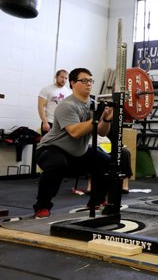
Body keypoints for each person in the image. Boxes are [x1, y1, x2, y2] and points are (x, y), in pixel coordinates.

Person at [33, 68, 115, 219]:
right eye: (84, 81)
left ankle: (96, 201)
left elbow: (102, 132)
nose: (88, 83)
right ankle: (42, 206)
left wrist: (107, 119)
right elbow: (75, 132)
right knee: (57, 163)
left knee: (107, 161)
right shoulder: (67, 105)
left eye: (90, 80)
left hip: (78, 152)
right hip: (51, 149)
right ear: (73, 83)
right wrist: (97, 118)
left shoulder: (94, 105)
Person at [38, 70, 72, 136]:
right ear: (56, 77)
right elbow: (40, 107)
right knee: (47, 145)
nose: (64, 80)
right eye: (62, 77)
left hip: (63, 124)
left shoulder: (69, 92)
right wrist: (45, 122)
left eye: (66, 78)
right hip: (49, 122)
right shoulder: (46, 89)